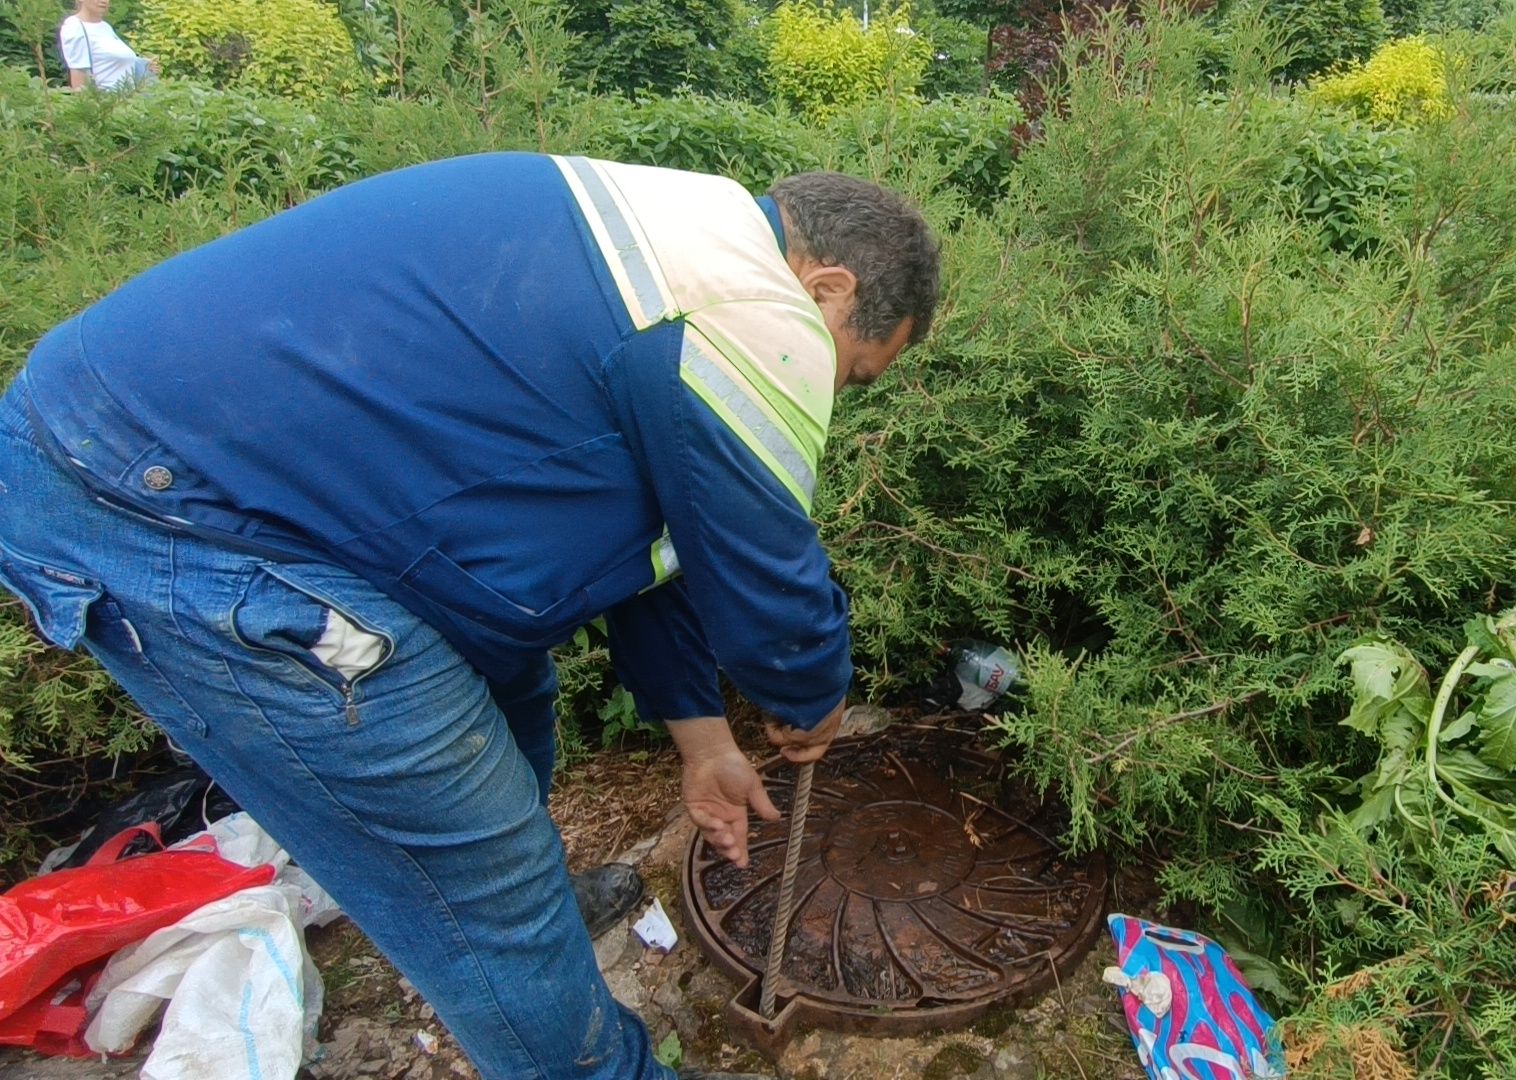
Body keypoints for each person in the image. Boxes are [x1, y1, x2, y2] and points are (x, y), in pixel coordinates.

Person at [0, 152, 939, 1079]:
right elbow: (768, 590)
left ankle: (534, 936)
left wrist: (705, 745)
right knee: (483, 890)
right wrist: (811, 693)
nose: (838, 393)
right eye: (856, 371)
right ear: (826, 288)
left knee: (512, 709)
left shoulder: (675, 232)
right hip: (172, 514)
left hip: (211, 474)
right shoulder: (749, 310)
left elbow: (670, 553)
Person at [59, 0, 157, 91]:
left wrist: (142, 64)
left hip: (126, 103)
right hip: (105, 104)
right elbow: (79, 79)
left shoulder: (104, 26)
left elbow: (109, 61)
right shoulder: (75, 27)